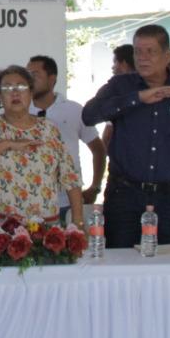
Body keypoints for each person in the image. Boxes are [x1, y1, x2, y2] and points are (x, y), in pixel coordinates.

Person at [82, 25, 170, 248]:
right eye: (138, 51)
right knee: (121, 266)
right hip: (125, 195)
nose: (143, 58)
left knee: (166, 268)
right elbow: (89, 115)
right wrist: (138, 98)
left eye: (150, 51)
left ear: (167, 55)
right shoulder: (120, 86)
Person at [0, 65, 81, 226]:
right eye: (7, 88)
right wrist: (8, 144)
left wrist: (78, 222)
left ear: (31, 93)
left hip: (43, 230)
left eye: (21, 86)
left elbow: (71, 178)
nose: (15, 92)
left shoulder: (49, 129)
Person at [26, 53, 106, 224]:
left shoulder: (74, 110)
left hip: (67, 202)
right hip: (30, 203)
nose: (29, 81)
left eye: (35, 75)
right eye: (27, 75)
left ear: (52, 78)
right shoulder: (20, 111)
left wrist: (95, 187)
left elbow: (98, 149)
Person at [100, 45, 135, 155]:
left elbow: (109, 129)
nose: (112, 67)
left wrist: (103, 153)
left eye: (115, 62)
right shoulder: (148, 88)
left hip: (124, 157)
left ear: (123, 64)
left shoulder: (117, 90)